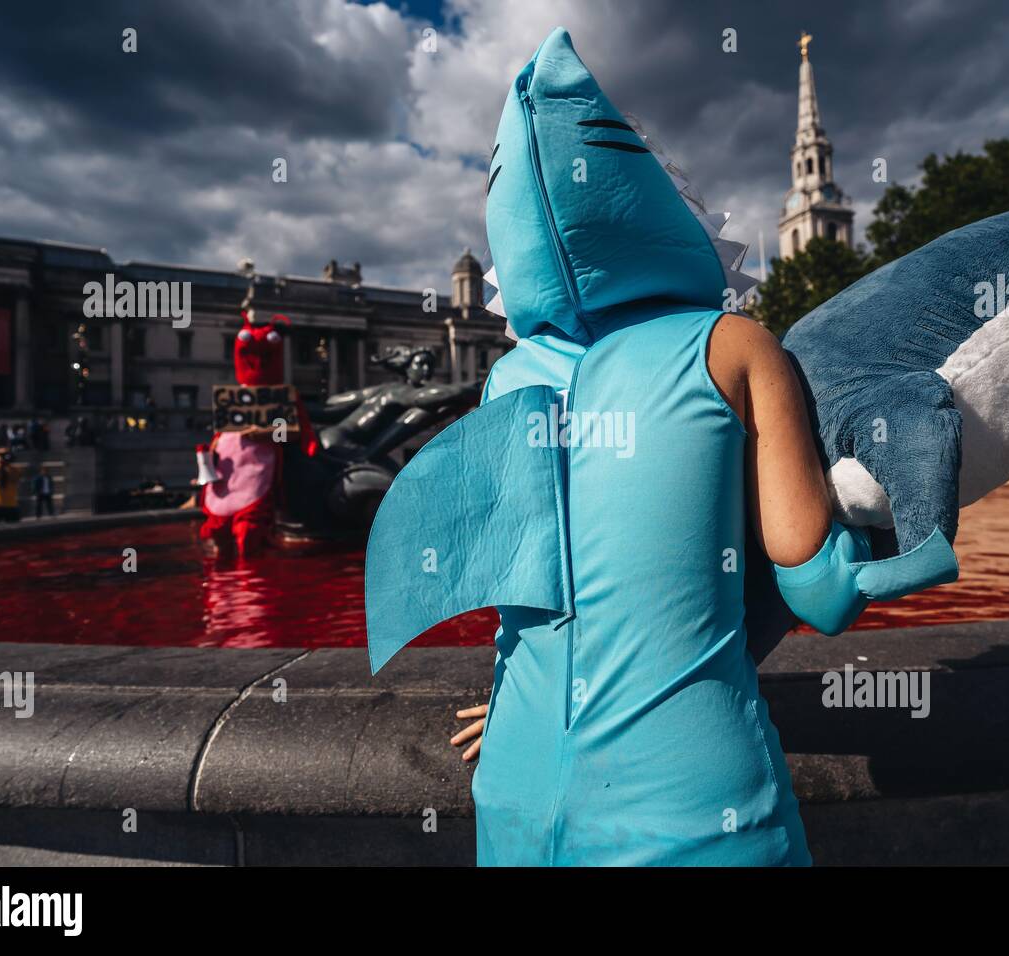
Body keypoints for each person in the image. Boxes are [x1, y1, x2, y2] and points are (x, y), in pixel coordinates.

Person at [366, 29, 861, 866]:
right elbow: (820, 588)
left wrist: (530, 699)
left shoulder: (506, 382)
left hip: (515, 788)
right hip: (698, 812)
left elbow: (523, 586)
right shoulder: (734, 346)